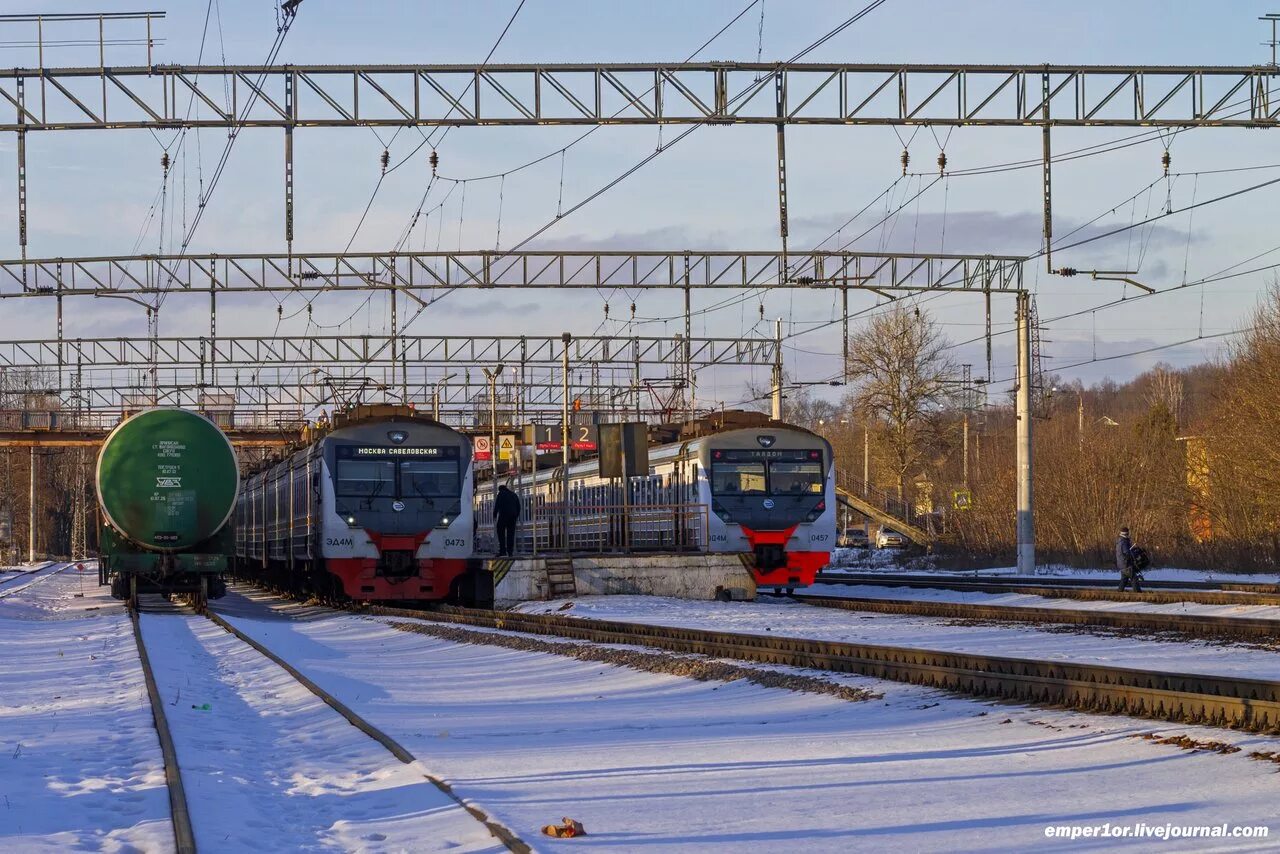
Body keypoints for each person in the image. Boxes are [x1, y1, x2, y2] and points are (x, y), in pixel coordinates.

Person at [494, 483, 521, 557]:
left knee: (500, 532)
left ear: (500, 489)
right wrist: (516, 515)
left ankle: (502, 551)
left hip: (504, 516)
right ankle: (510, 552)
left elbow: (497, 505)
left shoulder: (501, 494)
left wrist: (494, 515)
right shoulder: (513, 494)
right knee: (510, 534)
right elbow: (518, 506)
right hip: (513, 517)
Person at [1116, 526, 1141, 592]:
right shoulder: (1124, 542)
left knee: (1124, 579)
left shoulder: (1119, 541)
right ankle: (1138, 593)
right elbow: (1127, 552)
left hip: (1121, 564)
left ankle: (1119, 592)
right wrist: (1135, 553)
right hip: (1126, 564)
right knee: (1134, 578)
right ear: (1125, 534)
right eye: (1128, 533)